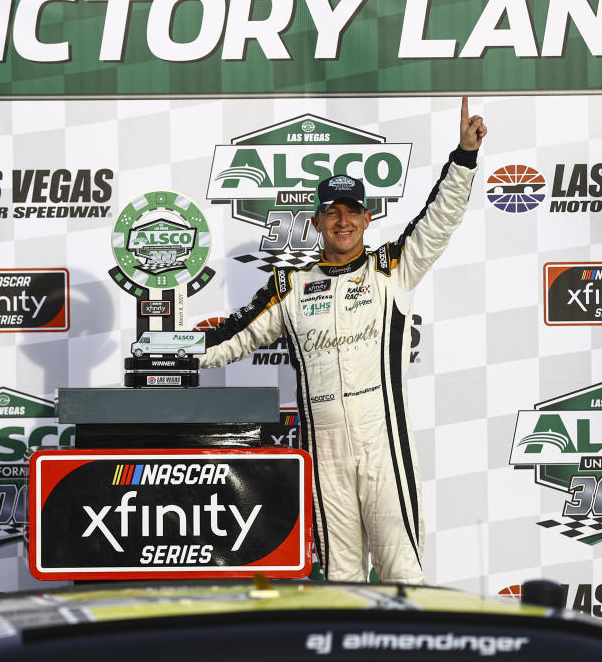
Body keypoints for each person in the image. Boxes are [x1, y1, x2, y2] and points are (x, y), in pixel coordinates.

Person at [199, 97, 487, 583]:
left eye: (352, 211)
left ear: (367, 219)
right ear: (315, 223)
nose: (342, 221)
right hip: (323, 452)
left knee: (403, 576)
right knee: (341, 581)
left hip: (383, 443)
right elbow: (232, 337)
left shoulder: (391, 268)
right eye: (331, 212)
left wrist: (463, 158)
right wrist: (166, 353)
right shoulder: (288, 287)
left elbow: (438, 220)